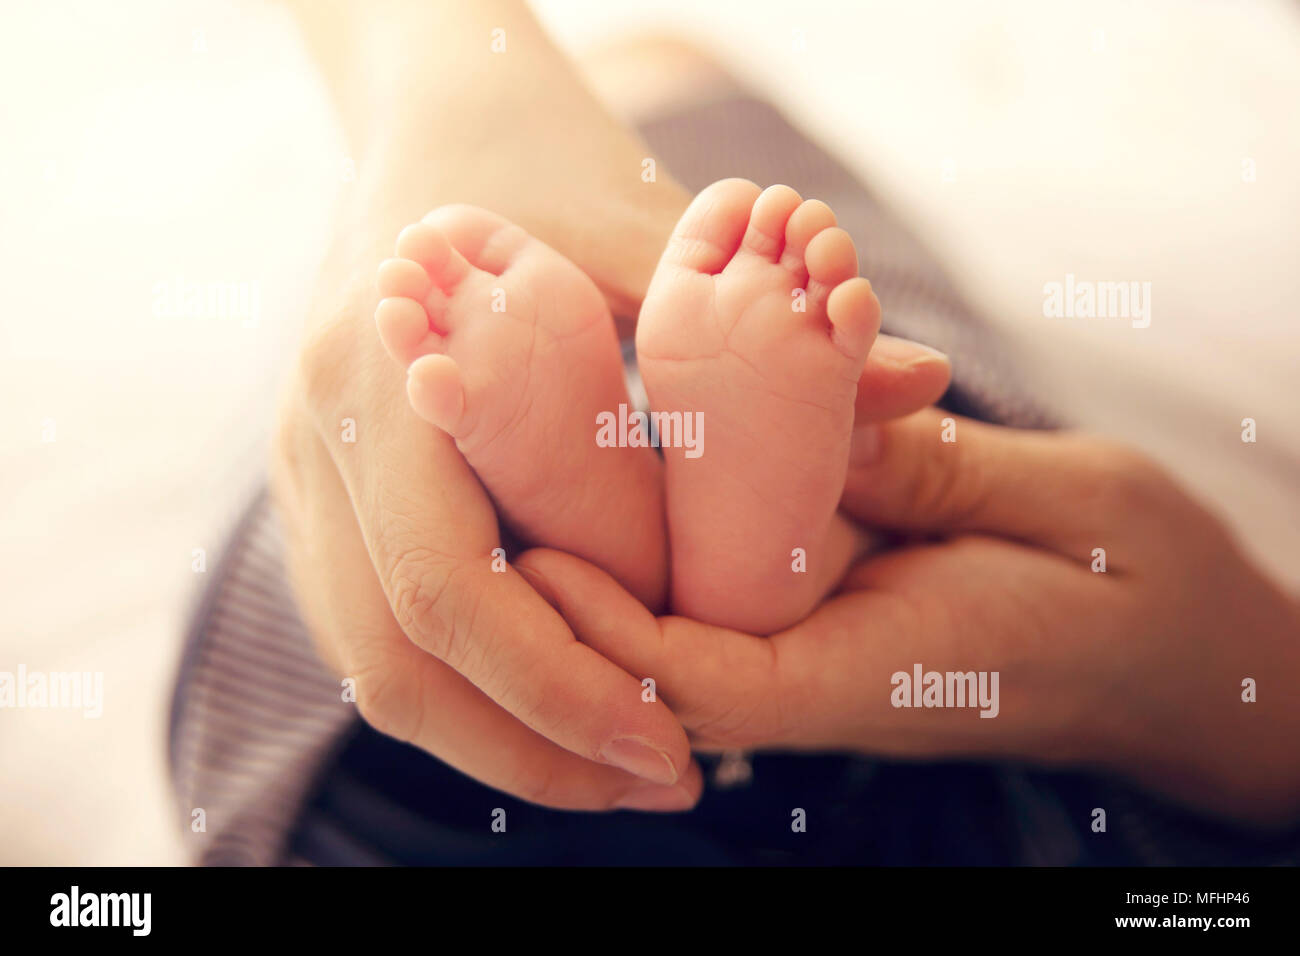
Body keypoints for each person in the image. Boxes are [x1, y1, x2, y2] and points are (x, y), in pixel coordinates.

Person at [169, 0, 1300, 864]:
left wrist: (438, 80)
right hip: (990, 762)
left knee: (405, 483)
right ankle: (765, 553)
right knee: (879, 454)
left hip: (446, 748)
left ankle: (651, 531)